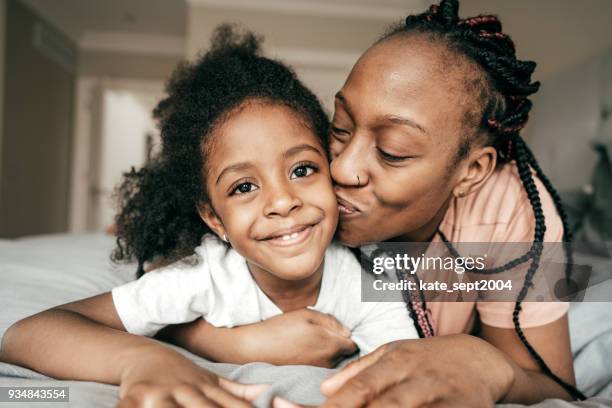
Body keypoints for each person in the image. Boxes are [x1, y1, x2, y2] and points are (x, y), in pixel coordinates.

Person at [168, 1, 585, 406]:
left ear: (471, 171)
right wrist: (229, 342)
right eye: (342, 127)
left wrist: (486, 363)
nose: (344, 169)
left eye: (392, 151)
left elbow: (555, 388)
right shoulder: (299, 183)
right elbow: (163, 293)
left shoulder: (509, 208)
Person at [0, 26, 418, 407]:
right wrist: (143, 360)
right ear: (214, 219)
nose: (283, 201)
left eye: (302, 170)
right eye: (244, 187)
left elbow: (407, 369)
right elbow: (24, 334)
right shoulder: (205, 275)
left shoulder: (366, 281)